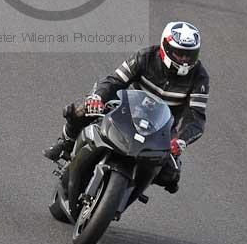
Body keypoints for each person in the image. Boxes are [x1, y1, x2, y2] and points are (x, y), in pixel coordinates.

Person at [43, 21, 209, 194]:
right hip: (129, 108)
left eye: (189, 54)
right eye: (180, 53)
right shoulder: (144, 56)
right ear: (165, 48)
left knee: (170, 176)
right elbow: (115, 80)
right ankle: (66, 142)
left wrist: (180, 139)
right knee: (84, 109)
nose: (184, 59)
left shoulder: (200, 77)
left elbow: (196, 116)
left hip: (162, 127)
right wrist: (97, 98)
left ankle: (131, 189)